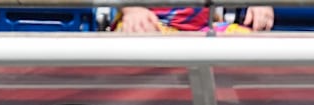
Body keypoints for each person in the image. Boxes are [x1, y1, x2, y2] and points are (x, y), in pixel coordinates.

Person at [113, 5, 273, 33]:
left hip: (204, 29)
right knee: (135, 37)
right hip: (153, 24)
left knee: (253, 44)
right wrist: (132, 9)